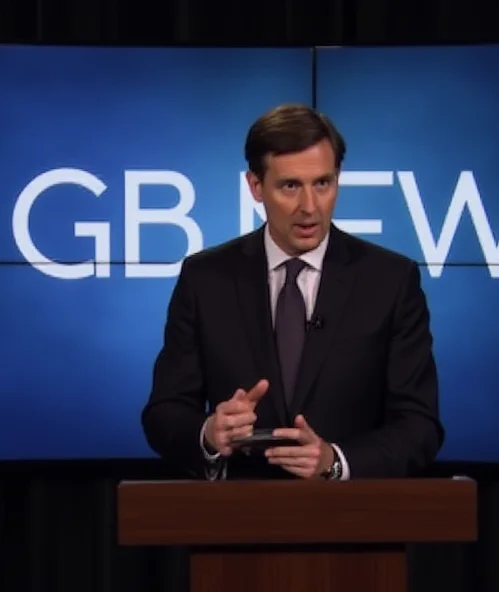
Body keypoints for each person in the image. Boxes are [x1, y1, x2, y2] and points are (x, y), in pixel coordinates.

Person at [141, 104, 444, 480]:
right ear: (256, 186)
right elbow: (164, 413)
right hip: (237, 519)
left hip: (354, 522)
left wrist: (334, 461)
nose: (309, 207)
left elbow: (419, 426)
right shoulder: (205, 278)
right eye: (290, 186)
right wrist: (209, 432)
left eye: (323, 183)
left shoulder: (390, 281)